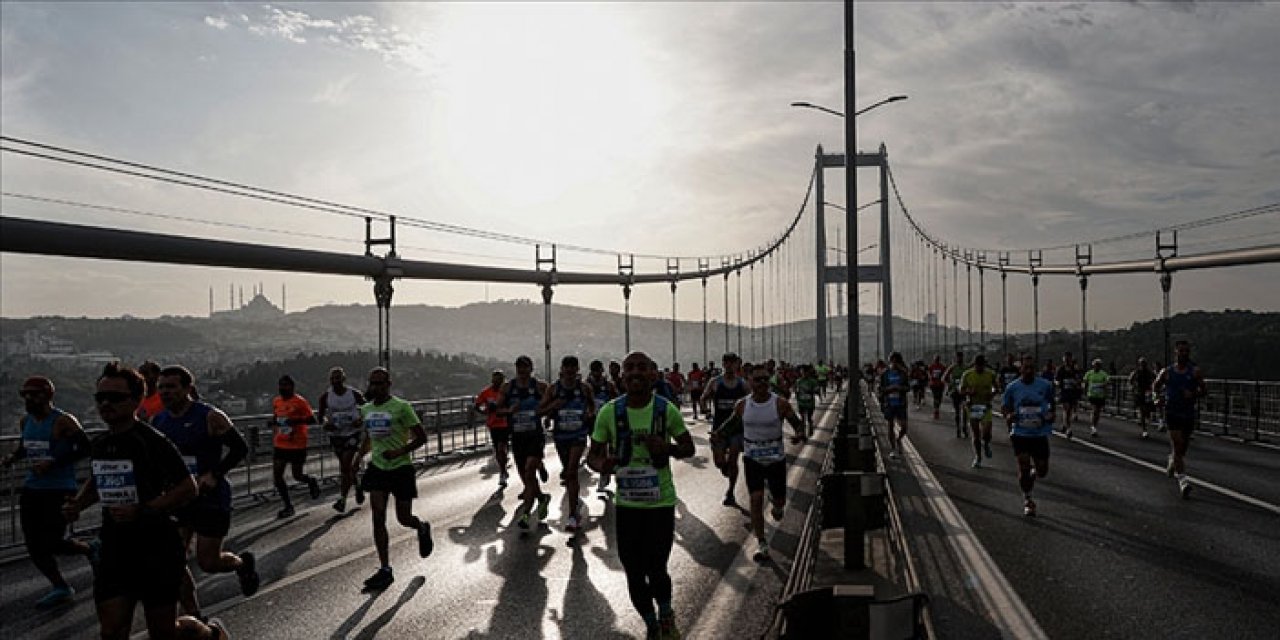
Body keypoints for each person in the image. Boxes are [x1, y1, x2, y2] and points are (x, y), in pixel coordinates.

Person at [63, 362, 227, 640]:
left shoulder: (152, 441)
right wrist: (78, 503)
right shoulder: (101, 443)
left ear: (136, 401)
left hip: (156, 546)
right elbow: (98, 478)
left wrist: (145, 509)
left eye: (115, 398)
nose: (106, 404)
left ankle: (209, 633)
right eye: (100, 397)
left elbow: (188, 487)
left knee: (164, 633)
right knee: (112, 630)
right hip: (115, 547)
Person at [588, 351, 695, 640]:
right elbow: (593, 457)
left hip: (660, 504)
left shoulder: (665, 410)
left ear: (652, 374)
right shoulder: (610, 412)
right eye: (629, 368)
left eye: (641, 368)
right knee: (633, 572)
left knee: (656, 567)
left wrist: (666, 448)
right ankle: (651, 624)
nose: (635, 373)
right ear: (621, 376)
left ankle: (666, 615)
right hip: (628, 507)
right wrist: (604, 465)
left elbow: (689, 448)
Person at [150, 365, 259, 622]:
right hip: (179, 498)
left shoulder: (210, 416)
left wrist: (215, 474)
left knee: (208, 562)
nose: (165, 392)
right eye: (161, 387)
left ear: (188, 389)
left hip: (210, 498)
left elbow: (240, 448)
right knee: (173, 562)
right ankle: (194, 616)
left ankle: (242, 564)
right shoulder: (159, 421)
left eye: (171, 387)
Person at [0, 376, 92, 609]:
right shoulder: (25, 421)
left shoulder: (63, 421)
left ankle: (90, 548)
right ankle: (60, 586)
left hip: (59, 488)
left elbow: (84, 447)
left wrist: (54, 462)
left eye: (35, 394)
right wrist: (13, 458)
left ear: (48, 396)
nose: (29, 399)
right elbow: (26, 446)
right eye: (26, 394)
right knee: (33, 544)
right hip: (33, 488)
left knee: (52, 541)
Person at [712, 365, 806, 562]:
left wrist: (799, 435)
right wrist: (718, 438)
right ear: (750, 381)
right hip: (753, 459)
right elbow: (728, 427)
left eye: (765, 379)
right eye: (757, 380)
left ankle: (777, 504)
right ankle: (762, 544)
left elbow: (797, 424)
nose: (762, 383)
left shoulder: (780, 404)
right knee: (755, 499)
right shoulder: (742, 405)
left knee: (779, 503)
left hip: (776, 460)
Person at [355, 367, 434, 590]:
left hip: (401, 468)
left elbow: (422, 438)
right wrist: (358, 458)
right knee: (378, 516)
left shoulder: (402, 407)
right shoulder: (367, 409)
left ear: (389, 384)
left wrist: (400, 452)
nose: (376, 387)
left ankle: (420, 526)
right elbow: (369, 438)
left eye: (380, 383)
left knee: (403, 518)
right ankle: (385, 569)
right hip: (378, 468)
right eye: (373, 383)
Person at [540, 356, 596, 532]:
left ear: (577, 369)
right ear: (562, 369)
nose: (571, 371)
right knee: (567, 471)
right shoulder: (553, 389)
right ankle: (574, 507)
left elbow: (592, 406)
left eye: (574, 368)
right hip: (560, 436)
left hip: (578, 435)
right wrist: (552, 409)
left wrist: (589, 414)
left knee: (572, 471)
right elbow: (540, 410)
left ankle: (573, 515)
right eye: (567, 367)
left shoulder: (584, 388)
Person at [1001, 356, 1056, 517]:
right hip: (1020, 433)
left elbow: (1051, 404)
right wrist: (1009, 415)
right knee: (1023, 466)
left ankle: (1033, 474)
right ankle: (1028, 499)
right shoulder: (1012, 387)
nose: (1029, 371)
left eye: (1032, 368)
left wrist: (1051, 415)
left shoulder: (1045, 386)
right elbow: (1005, 407)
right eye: (1026, 368)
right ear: (1021, 369)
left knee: (1042, 471)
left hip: (1039, 434)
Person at [500, 355, 551, 530]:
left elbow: (551, 404)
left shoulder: (540, 386)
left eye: (525, 367)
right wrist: (508, 410)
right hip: (517, 437)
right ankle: (542, 498)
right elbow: (498, 410)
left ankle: (526, 514)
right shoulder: (508, 388)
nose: (522, 371)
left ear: (531, 368)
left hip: (535, 435)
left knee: (529, 471)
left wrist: (543, 413)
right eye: (519, 367)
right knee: (526, 478)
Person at [1153, 341, 1206, 499]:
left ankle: (1173, 459)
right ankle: (1183, 482)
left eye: (1186, 351)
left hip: (1188, 413)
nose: (1183, 354)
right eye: (1180, 351)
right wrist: (1157, 398)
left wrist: (1193, 394)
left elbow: (1204, 390)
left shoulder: (1195, 371)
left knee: (1182, 448)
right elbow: (1155, 386)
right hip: (1172, 412)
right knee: (1177, 444)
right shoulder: (1167, 372)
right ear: (1175, 353)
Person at [701, 352, 749, 507]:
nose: (729, 365)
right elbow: (703, 397)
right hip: (719, 430)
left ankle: (731, 492)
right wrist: (706, 410)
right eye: (726, 362)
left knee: (733, 459)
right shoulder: (715, 382)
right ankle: (725, 467)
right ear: (723, 364)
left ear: (736, 364)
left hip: (736, 429)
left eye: (732, 362)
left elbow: (752, 400)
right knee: (720, 462)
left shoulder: (742, 384)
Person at [267, 375, 320, 519]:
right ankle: (288, 506)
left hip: (297, 444)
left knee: (297, 475)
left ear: (292, 387)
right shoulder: (276, 401)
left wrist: (295, 421)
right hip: (281, 443)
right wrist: (273, 422)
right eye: (280, 385)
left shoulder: (300, 402)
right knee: (277, 476)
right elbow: (277, 417)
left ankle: (311, 481)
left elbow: (312, 420)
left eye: (285, 385)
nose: (282, 388)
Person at [318, 366, 367, 512]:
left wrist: (361, 419)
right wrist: (326, 423)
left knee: (345, 467)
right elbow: (320, 417)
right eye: (333, 379)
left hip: (352, 433)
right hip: (336, 435)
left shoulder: (354, 394)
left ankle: (342, 500)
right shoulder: (326, 397)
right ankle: (357, 485)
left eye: (338, 378)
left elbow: (368, 408)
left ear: (343, 379)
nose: (335, 381)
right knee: (346, 467)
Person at [960, 355, 999, 468]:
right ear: (974, 364)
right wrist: (969, 392)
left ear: (984, 365)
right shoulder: (967, 374)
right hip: (972, 407)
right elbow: (961, 390)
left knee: (987, 432)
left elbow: (997, 388)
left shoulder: (990, 374)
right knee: (976, 434)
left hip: (985, 407)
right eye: (977, 366)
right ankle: (978, 457)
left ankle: (986, 443)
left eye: (981, 366)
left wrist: (991, 394)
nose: (979, 368)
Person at [586, 360, 619, 494]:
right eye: (594, 371)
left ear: (602, 371)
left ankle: (605, 475)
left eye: (598, 370)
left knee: (609, 450)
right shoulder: (586, 385)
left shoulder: (608, 385)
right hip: (593, 422)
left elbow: (616, 400)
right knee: (598, 449)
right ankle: (604, 474)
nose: (596, 374)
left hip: (608, 421)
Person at [475, 370, 512, 487]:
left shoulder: (507, 392)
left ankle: (502, 472)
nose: (497, 382)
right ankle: (503, 469)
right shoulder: (486, 392)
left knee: (501, 448)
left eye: (500, 380)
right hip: (493, 425)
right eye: (495, 380)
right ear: (492, 380)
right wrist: (484, 412)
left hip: (505, 424)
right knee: (498, 450)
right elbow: (477, 405)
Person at [879, 352, 911, 459]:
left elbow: (908, 388)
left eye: (897, 361)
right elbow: (881, 389)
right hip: (889, 403)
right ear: (890, 361)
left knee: (904, 428)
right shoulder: (885, 374)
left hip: (901, 403)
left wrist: (899, 388)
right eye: (893, 361)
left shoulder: (903, 373)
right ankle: (893, 449)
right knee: (890, 426)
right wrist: (890, 389)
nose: (894, 363)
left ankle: (899, 439)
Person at [1128, 358, 1157, 438]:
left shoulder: (1149, 372)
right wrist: (1132, 387)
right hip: (1139, 393)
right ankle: (1144, 430)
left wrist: (1154, 387)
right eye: (1141, 363)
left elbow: (1156, 379)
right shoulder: (1136, 372)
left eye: (1144, 363)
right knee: (1142, 410)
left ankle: (1145, 420)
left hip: (1147, 393)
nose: (1143, 365)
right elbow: (1130, 379)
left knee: (1147, 410)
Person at [1055, 353, 1083, 437]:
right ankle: (1068, 428)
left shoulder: (1075, 369)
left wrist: (1077, 383)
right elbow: (1056, 380)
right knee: (1066, 409)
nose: (1067, 361)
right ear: (1063, 360)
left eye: (1069, 359)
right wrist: (1058, 384)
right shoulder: (1060, 369)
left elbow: (1079, 379)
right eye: (1066, 359)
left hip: (1072, 391)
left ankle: (1065, 423)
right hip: (1064, 392)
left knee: (1069, 410)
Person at [1082, 358, 1110, 437]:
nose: (1097, 366)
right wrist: (1084, 388)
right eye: (1095, 365)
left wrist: (1104, 385)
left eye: (1098, 365)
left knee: (1098, 412)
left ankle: (1095, 425)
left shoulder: (1103, 374)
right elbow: (1085, 381)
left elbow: (1107, 381)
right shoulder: (1089, 373)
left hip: (1100, 395)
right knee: (1095, 410)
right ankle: (1093, 427)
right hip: (1092, 395)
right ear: (1093, 366)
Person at [792, 366, 820, 441]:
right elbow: (795, 390)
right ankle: (803, 435)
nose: (803, 374)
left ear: (808, 373)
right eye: (802, 372)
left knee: (809, 418)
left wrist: (811, 391)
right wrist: (796, 392)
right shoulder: (798, 381)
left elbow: (817, 390)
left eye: (805, 372)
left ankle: (810, 426)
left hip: (810, 403)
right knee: (802, 419)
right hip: (801, 403)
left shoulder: (812, 381)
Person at [943, 352, 967, 438]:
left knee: (965, 410)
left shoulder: (965, 367)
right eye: (958, 358)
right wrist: (950, 384)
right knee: (957, 412)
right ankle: (958, 428)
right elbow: (944, 378)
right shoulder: (952, 367)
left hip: (964, 392)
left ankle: (964, 426)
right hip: (955, 392)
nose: (959, 359)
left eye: (961, 357)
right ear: (956, 358)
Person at [927, 355, 947, 420]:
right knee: (936, 397)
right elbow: (929, 374)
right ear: (934, 360)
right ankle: (936, 410)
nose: (936, 360)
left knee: (939, 397)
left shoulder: (942, 367)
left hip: (940, 385)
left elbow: (945, 375)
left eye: (937, 359)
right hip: (934, 385)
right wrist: (930, 380)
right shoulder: (931, 366)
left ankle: (937, 409)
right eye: (935, 359)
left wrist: (944, 380)